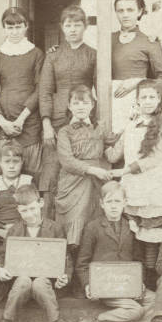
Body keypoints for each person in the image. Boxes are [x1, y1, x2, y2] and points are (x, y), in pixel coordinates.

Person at [105, 79, 162, 287]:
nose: (147, 101)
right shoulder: (131, 124)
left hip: (153, 188)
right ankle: (136, 285)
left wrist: (125, 170)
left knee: (152, 239)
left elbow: (154, 159)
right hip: (132, 187)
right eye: (143, 97)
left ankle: (153, 285)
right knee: (134, 237)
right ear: (137, 100)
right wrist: (101, 142)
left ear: (159, 100)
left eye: (152, 97)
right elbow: (114, 154)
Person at [0, 185, 78, 322]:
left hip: (47, 281)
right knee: (24, 280)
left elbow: (66, 258)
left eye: (32, 209)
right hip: (19, 281)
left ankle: (57, 320)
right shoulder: (14, 230)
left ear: (41, 203)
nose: (29, 214)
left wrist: (64, 276)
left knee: (39, 283)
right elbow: (2, 257)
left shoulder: (55, 228)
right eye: (24, 210)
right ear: (18, 210)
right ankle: (5, 321)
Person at [75, 181, 156, 322]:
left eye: (117, 201)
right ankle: (96, 319)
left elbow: (139, 260)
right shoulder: (93, 227)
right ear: (102, 204)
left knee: (156, 299)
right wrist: (87, 284)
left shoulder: (131, 227)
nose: (113, 206)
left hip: (127, 282)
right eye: (109, 201)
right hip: (105, 284)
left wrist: (140, 281)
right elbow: (82, 263)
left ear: (124, 203)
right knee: (136, 310)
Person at [38, 5, 97, 217]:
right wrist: (46, 123)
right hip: (56, 119)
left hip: (82, 117)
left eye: (77, 25)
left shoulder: (92, 55)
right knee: (52, 171)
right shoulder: (53, 56)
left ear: (85, 27)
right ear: (62, 27)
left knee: (80, 170)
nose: (72, 29)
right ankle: (48, 221)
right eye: (68, 25)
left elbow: (99, 89)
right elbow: (45, 91)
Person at [0, 7, 46, 183]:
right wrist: (2, 121)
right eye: (10, 27)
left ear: (26, 26)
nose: (14, 32)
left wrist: (21, 119)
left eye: (18, 27)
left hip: (28, 122)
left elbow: (40, 88)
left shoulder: (36, 54)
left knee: (30, 174)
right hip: (2, 122)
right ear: (4, 29)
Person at [55, 85, 111, 247]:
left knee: (93, 222)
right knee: (73, 226)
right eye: (76, 103)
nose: (80, 107)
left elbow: (113, 149)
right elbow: (67, 161)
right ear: (69, 106)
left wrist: (130, 126)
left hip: (95, 183)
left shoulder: (100, 128)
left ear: (92, 105)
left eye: (85, 103)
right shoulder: (64, 131)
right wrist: (93, 170)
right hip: (73, 181)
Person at [110, 0, 162, 134]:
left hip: (139, 106)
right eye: (120, 10)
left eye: (130, 10)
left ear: (139, 12)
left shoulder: (149, 41)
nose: (125, 15)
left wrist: (138, 81)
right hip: (111, 106)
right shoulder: (108, 40)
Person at [0, 141, 35, 256]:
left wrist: (21, 230)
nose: (11, 166)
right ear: (0, 163)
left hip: (26, 234)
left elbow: (36, 213)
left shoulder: (29, 184)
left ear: (22, 162)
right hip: (1, 237)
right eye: (7, 161)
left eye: (15, 161)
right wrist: (2, 231)